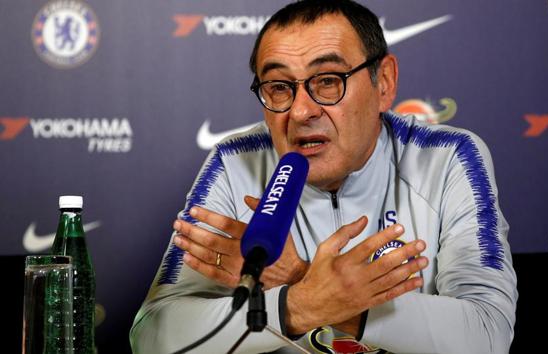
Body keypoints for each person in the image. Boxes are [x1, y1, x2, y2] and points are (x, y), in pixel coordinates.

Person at [130, 0, 517, 353]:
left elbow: (488, 336)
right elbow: (152, 338)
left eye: (328, 81)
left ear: (383, 83)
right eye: (279, 87)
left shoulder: (446, 157)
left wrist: (308, 285)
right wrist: (297, 305)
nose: (301, 112)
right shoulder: (236, 162)